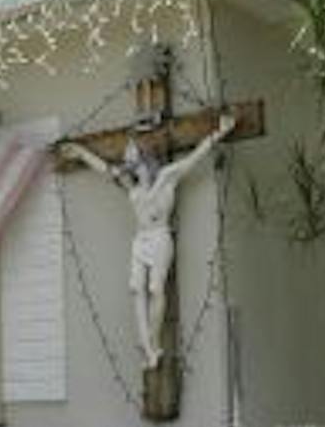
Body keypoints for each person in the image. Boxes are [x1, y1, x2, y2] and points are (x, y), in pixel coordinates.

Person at [60, 114, 234, 367]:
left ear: (143, 157)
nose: (127, 163)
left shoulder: (167, 177)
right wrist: (80, 152)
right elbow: (104, 169)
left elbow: (195, 157)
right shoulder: (132, 186)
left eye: (132, 159)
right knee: (135, 290)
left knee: (155, 289)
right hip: (140, 240)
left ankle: (153, 341)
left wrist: (220, 132)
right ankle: (148, 349)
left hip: (160, 236)